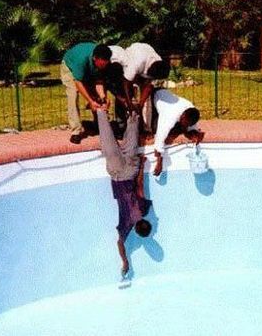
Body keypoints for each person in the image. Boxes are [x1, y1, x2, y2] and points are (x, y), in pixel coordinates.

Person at [95, 108, 152, 277]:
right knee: (109, 144)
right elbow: (120, 244)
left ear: (146, 222)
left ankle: (133, 113)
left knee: (131, 143)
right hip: (118, 175)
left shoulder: (144, 209)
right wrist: (125, 261)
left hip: (131, 171)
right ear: (136, 230)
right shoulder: (126, 225)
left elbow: (140, 185)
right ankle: (101, 112)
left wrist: (141, 165)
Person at [108, 43, 170, 132]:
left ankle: (146, 127)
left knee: (147, 100)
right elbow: (126, 83)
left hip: (143, 65)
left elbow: (148, 87)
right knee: (124, 95)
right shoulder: (136, 62)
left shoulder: (159, 65)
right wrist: (129, 103)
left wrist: (140, 105)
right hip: (131, 64)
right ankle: (122, 126)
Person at [60, 43, 112, 144]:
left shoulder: (104, 61)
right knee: (73, 94)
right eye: (101, 65)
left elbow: (99, 81)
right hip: (69, 67)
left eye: (105, 65)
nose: (103, 67)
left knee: (98, 97)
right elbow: (78, 83)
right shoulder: (81, 60)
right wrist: (90, 101)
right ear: (95, 58)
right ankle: (76, 131)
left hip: (87, 68)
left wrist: (103, 98)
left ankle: (99, 124)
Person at [152, 89, 205, 176]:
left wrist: (196, 135)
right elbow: (159, 139)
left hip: (168, 97)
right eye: (186, 124)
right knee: (156, 129)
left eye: (188, 125)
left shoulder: (191, 111)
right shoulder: (169, 117)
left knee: (181, 129)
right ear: (182, 116)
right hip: (156, 96)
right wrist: (159, 163)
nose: (186, 126)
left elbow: (193, 127)